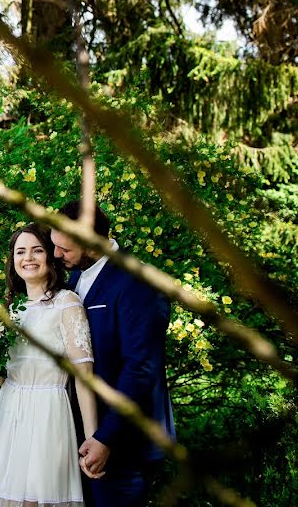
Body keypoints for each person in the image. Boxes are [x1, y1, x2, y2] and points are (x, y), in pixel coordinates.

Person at [51, 201, 174, 507]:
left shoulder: (138, 282)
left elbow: (141, 368)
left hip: (122, 443)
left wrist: (106, 437)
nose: (56, 255)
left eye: (64, 249)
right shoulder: (78, 278)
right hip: (85, 436)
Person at [0, 223, 100, 507]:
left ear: (51, 256)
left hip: (48, 416)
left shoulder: (67, 303)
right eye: (21, 252)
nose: (28, 258)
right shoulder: (10, 310)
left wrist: (93, 438)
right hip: (10, 415)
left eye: (37, 250)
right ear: (13, 260)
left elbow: (84, 376)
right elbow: (19, 376)